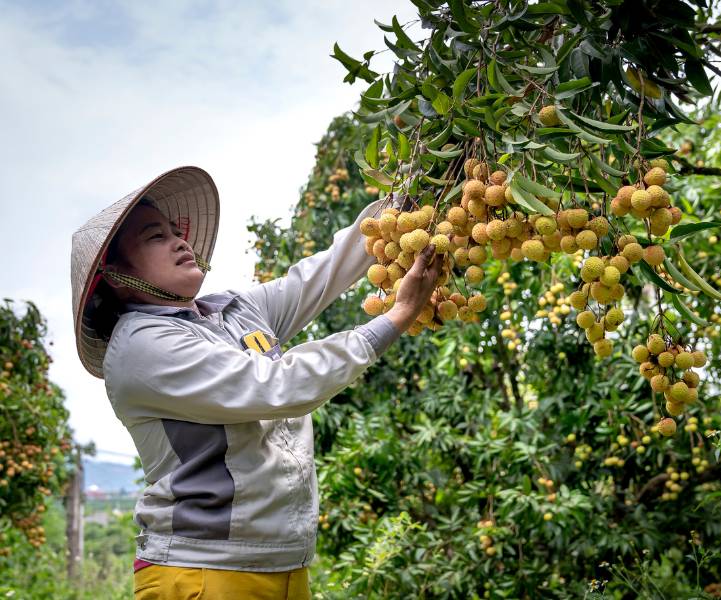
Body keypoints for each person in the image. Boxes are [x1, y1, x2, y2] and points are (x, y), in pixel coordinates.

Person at [70, 166, 443, 599]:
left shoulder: (231, 311)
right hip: (202, 571)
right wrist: (396, 317)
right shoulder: (142, 347)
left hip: (283, 563)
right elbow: (276, 387)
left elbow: (320, 276)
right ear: (115, 275)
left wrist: (408, 197)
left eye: (176, 230)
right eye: (156, 236)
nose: (179, 241)